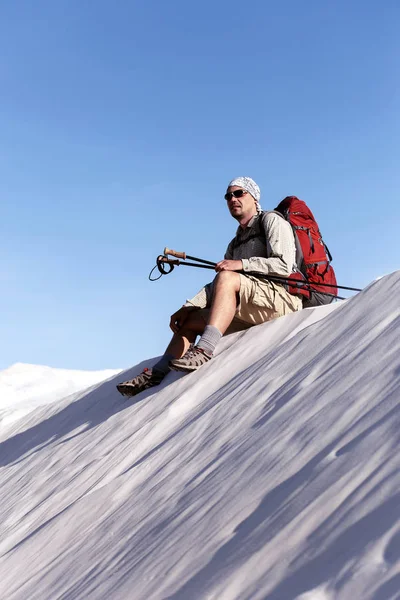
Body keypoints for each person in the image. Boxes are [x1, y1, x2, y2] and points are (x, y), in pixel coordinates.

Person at [117, 177, 303, 397]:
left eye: (239, 193)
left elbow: (283, 265)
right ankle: (157, 373)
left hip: (282, 301)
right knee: (190, 320)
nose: (232, 199)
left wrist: (240, 264)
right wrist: (188, 307)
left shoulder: (272, 221)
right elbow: (218, 285)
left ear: (254, 197)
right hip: (252, 306)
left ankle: (204, 350)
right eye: (228, 196)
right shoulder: (235, 242)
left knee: (227, 277)